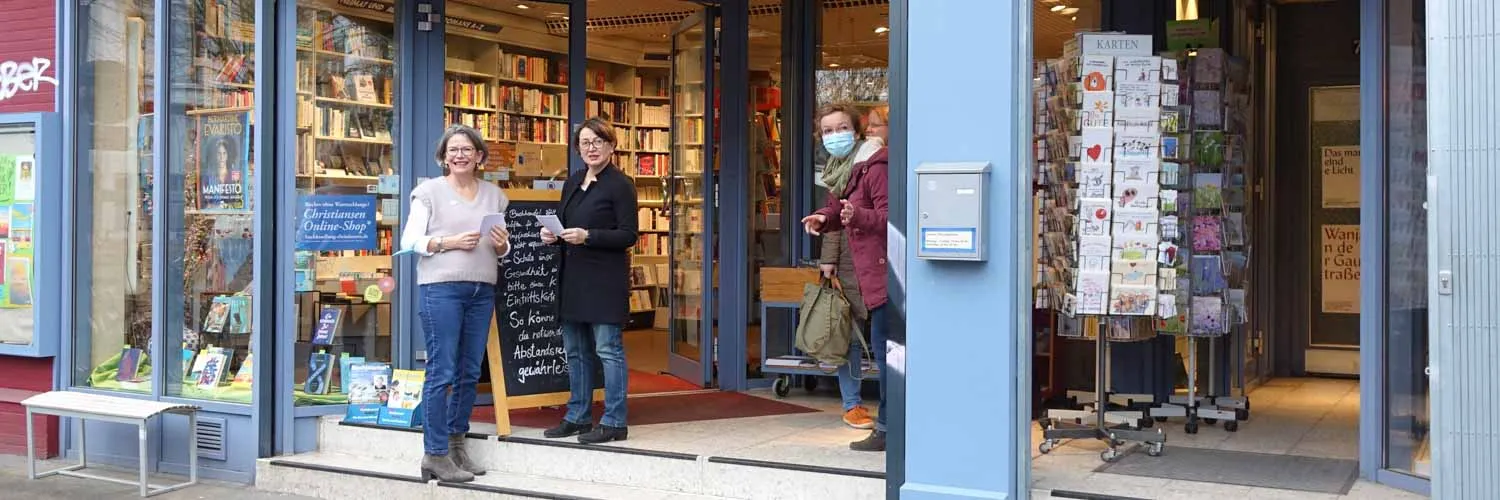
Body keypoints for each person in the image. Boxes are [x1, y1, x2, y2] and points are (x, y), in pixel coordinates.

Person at [400, 124, 512, 483]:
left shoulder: (495, 196)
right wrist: (448, 242)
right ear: (443, 156)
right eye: (453, 150)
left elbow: (502, 249)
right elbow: (410, 241)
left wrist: (501, 245)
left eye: (467, 150)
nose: (460, 155)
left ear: (479, 156)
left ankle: (456, 445)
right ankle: (434, 454)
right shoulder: (428, 193)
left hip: (482, 290)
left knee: (469, 372)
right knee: (442, 371)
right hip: (441, 289)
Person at [540, 118, 640, 445]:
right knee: (576, 352)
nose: (591, 148)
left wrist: (589, 236)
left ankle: (614, 421)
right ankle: (577, 416)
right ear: (577, 148)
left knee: (608, 351)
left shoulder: (620, 184)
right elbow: (564, 223)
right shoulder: (573, 182)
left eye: (598, 141)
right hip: (573, 279)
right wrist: (551, 235)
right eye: (585, 142)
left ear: (611, 146)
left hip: (604, 281)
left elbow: (629, 234)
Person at [802, 103, 891, 452]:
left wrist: (857, 216)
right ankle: (886, 425)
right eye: (827, 131)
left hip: (884, 273)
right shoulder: (843, 169)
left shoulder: (874, 166)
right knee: (880, 348)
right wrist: (825, 218)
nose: (834, 136)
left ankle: (889, 428)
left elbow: (890, 218)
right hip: (866, 272)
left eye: (841, 128)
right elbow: (839, 206)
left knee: (887, 352)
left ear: (856, 131)